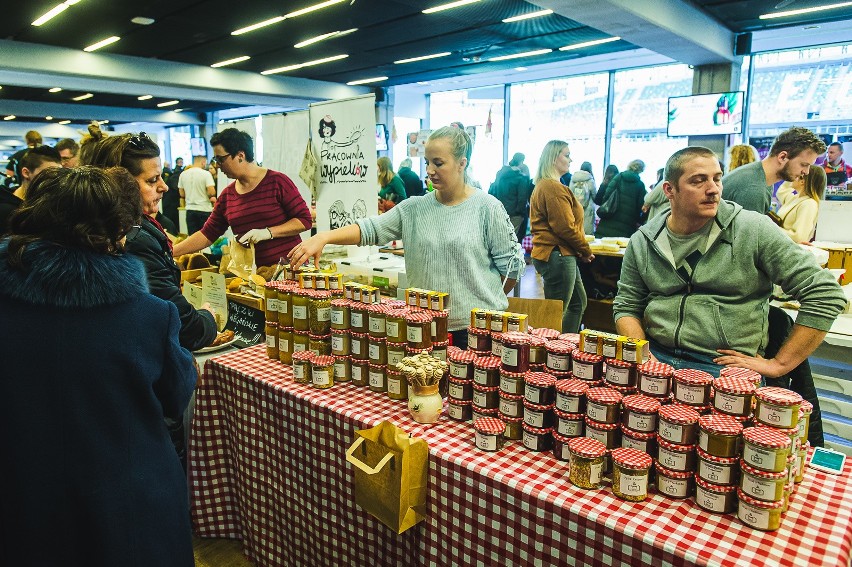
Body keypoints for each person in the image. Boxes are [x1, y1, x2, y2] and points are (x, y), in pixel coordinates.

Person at [0, 166, 196, 566]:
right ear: (115, 233)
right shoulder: (150, 316)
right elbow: (176, 399)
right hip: (127, 499)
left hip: (22, 488)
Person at [614, 146, 846, 445]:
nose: (713, 190)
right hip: (657, 360)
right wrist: (642, 356)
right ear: (669, 190)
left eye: (717, 179)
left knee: (716, 461)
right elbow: (627, 305)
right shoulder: (643, 240)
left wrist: (778, 365)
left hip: (724, 370)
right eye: (698, 180)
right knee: (639, 447)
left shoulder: (752, 229)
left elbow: (825, 293)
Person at [288, 126, 523, 347]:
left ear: (462, 163)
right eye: (427, 162)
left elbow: (510, 271)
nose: (430, 170)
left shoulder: (487, 208)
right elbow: (371, 229)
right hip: (423, 324)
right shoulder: (413, 208)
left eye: (438, 163)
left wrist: (478, 300)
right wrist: (324, 237)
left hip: (478, 331)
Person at [82, 126, 217, 352]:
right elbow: (188, 329)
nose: (163, 187)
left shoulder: (105, 229)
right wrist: (207, 319)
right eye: (152, 180)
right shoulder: (131, 238)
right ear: (120, 185)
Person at [173, 128, 312, 267]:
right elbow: (207, 234)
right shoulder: (227, 196)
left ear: (240, 155)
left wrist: (269, 233)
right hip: (254, 275)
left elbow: (304, 220)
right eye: (215, 160)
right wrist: (171, 251)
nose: (218, 166)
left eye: (221, 159)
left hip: (290, 269)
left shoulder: (277, 182)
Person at [529, 140, 594, 333]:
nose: (570, 159)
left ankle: (564, 351)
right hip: (557, 254)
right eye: (566, 155)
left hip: (560, 254)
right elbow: (565, 228)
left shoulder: (549, 185)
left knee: (577, 304)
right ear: (553, 157)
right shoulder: (552, 187)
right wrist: (585, 249)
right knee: (555, 314)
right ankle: (553, 355)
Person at [722, 127, 827, 214]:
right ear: (782, 157)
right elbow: (748, 237)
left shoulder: (760, 178)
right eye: (803, 165)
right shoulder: (753, 189)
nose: (806, 172)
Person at [0, 146, 62, 233]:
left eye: (57, 174)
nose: (54, 179)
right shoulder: (5, 211)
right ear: (26, 173)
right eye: (48, 173)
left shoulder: (51, 205)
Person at [594, 159, 646, 238]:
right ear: (641, 170)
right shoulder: (640, 185)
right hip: (627, 225)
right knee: (620, 248)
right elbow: (640, 207)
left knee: (603, 246)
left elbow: (607, 195)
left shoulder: (619, 177)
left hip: (609, 220)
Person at [489, 153, 534, 243]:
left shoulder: (500, 174)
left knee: (500, 239)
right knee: (512, 241)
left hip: (499, 211)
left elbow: (492, 191)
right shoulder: (521, 178)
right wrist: (520, 212)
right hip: (515, 214)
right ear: (521, 162)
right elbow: (522, 198)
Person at [776, 166, 827, 243]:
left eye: (796, 175)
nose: (793, 177)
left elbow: (799, 237)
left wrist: (771, 229)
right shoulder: (795, 199)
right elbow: (781, 191)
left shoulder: (809, 204)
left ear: (802, 181)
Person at [179, 155, 217, 234]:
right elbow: (211, 192)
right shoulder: (206, 174)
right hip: (204, 209)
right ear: (203, 162)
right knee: (206, 237)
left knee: (193, 238)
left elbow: (181, 193)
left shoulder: (183, 174)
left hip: (190, 210)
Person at [568, 165, 597, 235]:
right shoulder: (590, 180)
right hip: (588, 210)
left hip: (575, 209)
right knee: (587, 233)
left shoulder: (573, 179)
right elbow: (594, 196)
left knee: (576, 231)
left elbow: (569, 194)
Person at [162, 157, 184, 228]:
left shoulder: (172, 173)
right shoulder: (177, 174)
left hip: (167, 202)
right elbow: (176, 187)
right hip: (172, 203)